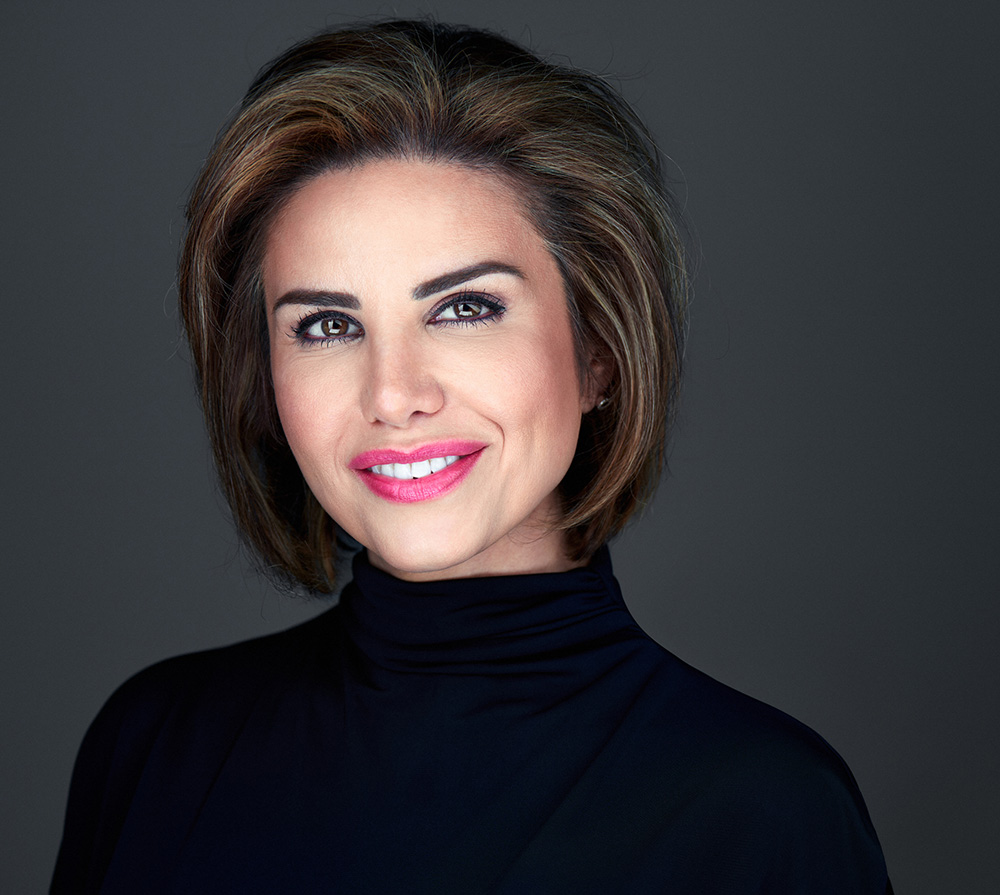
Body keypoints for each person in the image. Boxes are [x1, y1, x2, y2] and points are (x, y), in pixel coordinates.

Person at [52, 19, 891, 894]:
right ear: (265, 380)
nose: (392, 393)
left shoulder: (766, 810)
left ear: (597, 350)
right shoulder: (155, 746)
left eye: (463, 309)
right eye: (329, 326)